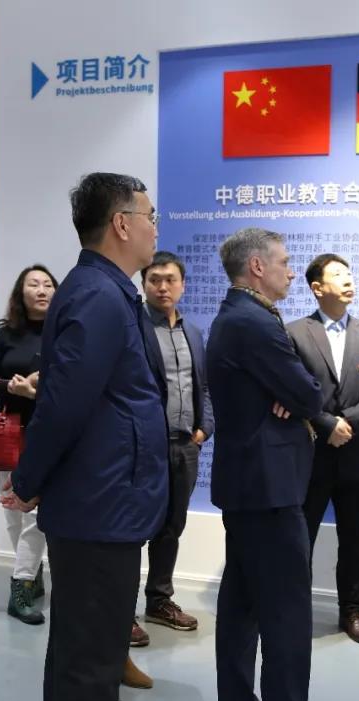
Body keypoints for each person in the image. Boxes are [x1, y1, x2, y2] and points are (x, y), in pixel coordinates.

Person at [0, 172, 167, 701]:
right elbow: (64, 403)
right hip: (99, 504)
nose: (155, 227)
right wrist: (28, 480)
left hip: (108, 499)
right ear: (121, 224)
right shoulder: (97, 295)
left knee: (91, 650)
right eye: (149, 216)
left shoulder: (109, 291)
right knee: (89, 660)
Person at [206, 228, 323, 701]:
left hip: (250, 486)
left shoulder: (239, 316)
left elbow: (296, 392)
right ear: (257, 266)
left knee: (242, 606)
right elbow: (310, 393)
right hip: (269, 490)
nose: (291, 272)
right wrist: (295, 396)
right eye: (284, 262)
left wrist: (291, 394)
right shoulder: (254, 322)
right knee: (286, 614)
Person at [286, 253, 359, 644]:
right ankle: (294, 610)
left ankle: (353, 611)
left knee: (355, 538)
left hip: (356, 455)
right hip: (309, 454)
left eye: (349, 273)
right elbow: (292, 390)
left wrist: (346, 425)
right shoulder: (294, 334)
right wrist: (326, 425)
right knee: (301, 536)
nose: (348, 280)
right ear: (317, 288)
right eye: (337, 275)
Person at [131, 250, 215, 646]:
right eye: (155, 280)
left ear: (182, 285)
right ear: (144, 284)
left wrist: (204, 428)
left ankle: (159, 601)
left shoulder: (192, 332)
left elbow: (204, 386)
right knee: (135, 528)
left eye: (170, 280)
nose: (163, 287)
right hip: (145, 447)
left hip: (185, 445)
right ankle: (121, 611)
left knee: (171, 527)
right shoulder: (134, 327)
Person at [0, 264, 58, 625]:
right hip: (8, 431)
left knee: (37, 514)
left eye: (48, 284)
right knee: (13, 512)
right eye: (33, 284)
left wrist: (38, 390)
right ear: (20, 293)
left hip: (48, 433)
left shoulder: (64, 333)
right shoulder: (3, 333)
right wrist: (16, 388)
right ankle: (31, 572)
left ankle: (20, 586)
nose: (41, 290)